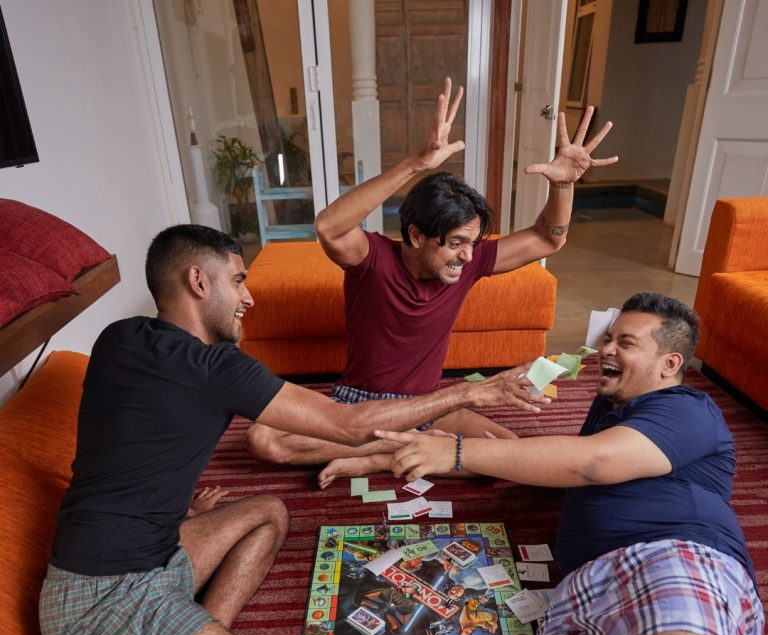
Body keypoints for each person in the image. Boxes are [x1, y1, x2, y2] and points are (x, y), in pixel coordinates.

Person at [37, 224, 551, 635]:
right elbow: (350, 426)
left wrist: (178, 511)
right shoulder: (215, 368)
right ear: (198, 282)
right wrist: (472, 391)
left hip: (150, 549)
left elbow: (129, 436)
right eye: (238, 281)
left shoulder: (118, 337)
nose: (248, 298)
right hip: (105, 600)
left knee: (268, 512)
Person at [378, 293, 767, 635]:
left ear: (670, 364)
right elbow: (558, 465)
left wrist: (458, 452)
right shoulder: (610, 409)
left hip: (670, 556)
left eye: (626, 342)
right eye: (608, 338)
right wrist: (430, 450)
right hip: (577, 590)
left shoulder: (688, 407)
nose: (606, 349)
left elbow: (592, 463)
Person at [246, 77, 619, 488]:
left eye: (473, 243)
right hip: (361, 407)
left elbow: (549, 239)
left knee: (510, 452)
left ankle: (383, 455)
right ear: (415, 235)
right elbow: (328, 227)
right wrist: (415, 164)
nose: (468, 256)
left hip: (431, 405)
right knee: (265, 440)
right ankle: (409, 449)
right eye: (456, 243)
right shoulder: (372, 259)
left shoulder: (469, 262)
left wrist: (563, 184)